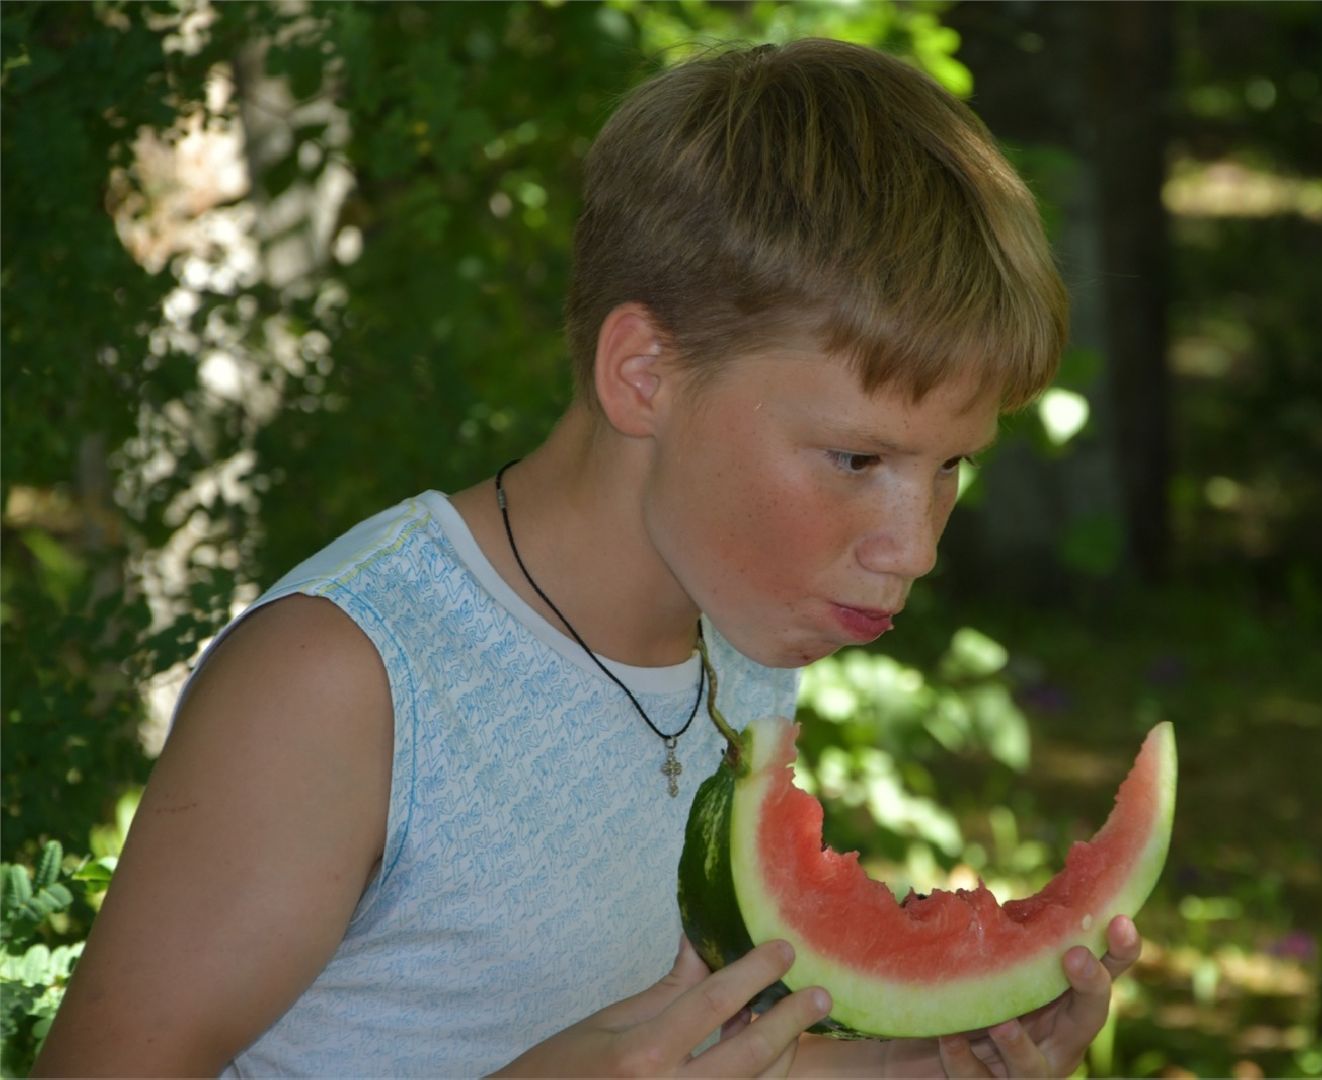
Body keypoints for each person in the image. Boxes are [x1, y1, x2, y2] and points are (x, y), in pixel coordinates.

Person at [35, 36, 1143, 1078]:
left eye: (952, 466)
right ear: (644, 375)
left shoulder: (739, 639)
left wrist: (929, 1058)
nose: (914, 547)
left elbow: (680, 1050)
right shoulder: (348, 684)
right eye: (857, 459)